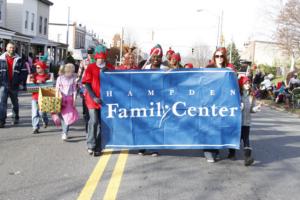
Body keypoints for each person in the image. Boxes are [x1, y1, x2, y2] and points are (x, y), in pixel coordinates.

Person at [139, 44, 169, 156]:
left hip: (158, 101)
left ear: (161, 58)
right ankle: (142, 146)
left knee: (155, 124)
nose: (156, 59)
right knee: (144, 123)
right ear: (150, 57)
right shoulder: (144, 68)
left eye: (159, 57)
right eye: (154, 56)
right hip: (145, 100)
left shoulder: (165, 69)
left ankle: (153, 147)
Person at [204, 47, 233, 162]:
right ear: (214, 58)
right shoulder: (209, 68)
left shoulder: (228, 70)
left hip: (222, 103)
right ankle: (208, 152)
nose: (219, 58)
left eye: (221, 56)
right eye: (217, 56)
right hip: (210, 102)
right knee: (209, 126)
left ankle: (215, 150)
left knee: (218, 127)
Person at [82, 51, 111, 156]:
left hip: (104, 101)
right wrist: (94, 97)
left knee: (102, 124)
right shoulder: (90, 67)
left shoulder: (109, 67)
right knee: (93, 121)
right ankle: (90, 144)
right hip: (92, 99)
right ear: (96, 59)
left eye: (103, 59)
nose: (101, 61)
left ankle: (98, 146)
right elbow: (87, 84)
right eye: (99, 59)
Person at [228, 76, 260, 166]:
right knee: (236, 138)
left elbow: (251, 109)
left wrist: (255, 109)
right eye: (245, 83)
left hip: (246, 122)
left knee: (246, 139)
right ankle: (231, 154)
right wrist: (238, 108)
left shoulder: (251, 95)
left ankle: (247, 158)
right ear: (241, 84)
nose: (248, 85)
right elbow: (230, 107)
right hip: (237, 122)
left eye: (249, 83)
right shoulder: (236, 94)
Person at [0, 42, 24, 128]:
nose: (12, 49)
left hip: (14, 85)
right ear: (6, 48)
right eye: (10, 47)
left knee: (15, 103)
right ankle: (1, 121)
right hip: (3, 85)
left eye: (13, 48)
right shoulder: (1, 59)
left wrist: (20, 82)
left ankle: (15, 118)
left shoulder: (19, 59)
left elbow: (23, 72)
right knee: (2, 103)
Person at [55, 63, 79, 140]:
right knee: (61, 116)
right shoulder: (60, 78)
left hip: (69, 99)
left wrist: (74, 101)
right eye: (70, 71)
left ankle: (65, 132)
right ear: (66, 71)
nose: (71, 73)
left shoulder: (73, 79)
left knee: (68, 117)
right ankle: (64, 131)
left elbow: (74, 90)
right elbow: (57, 89)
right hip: (61, 99)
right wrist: (58, 97)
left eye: (72, 72)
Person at [29, 61, 51, 134]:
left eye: (38, 67)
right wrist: (32, 80)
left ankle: (45, 121)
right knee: (35, 113)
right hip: (35, 97)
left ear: (43, 68)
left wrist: (44, 80)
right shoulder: (34, 75)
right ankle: (35, 127)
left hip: (44, 97)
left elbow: (49, 81)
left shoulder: (47, 76)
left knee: (42, 113)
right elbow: (30, 82)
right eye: (36, 67)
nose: (37, 69)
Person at [77, 47, 95, 133]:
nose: (90, 54)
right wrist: (76, 83)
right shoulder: (83, 62)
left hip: (94, 84)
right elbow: (79, 73)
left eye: (91, 52)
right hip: (85, 85)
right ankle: (86, 117)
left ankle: (91, 122)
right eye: (89, 52)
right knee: (85, 102)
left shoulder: (96, 61)